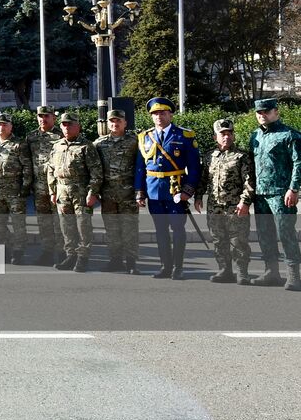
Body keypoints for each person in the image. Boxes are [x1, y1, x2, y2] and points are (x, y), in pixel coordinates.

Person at [134, 97, 200, 280]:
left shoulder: (184, 136)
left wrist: (188, 190)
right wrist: (140, 192)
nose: (159, 117)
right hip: (154, 191)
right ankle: (165, 266)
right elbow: (140, 167)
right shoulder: (144, 137)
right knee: (160, 230)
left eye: (162, 113)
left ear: (170, 114)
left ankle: (178, 268)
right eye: (155, 114)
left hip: (176, 190)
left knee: (178, 229)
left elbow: (194, 167)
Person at [246, 98, 301, 290]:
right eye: (259, 112)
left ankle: (294, 275)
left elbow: (298, 163)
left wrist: (293, 188)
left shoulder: (290, 135)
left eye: (266, 111)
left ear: (276, 112)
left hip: (281, 194)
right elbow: (251, 166)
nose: (262, 115)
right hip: (261, 194)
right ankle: (272, 272)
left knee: (286, 233)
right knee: (264, 233)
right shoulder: (255, 136)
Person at [199, 118, 255, 285]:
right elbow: (203, 179)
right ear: (215, 137)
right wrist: (198, 196)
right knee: (218, 240)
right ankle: (225, 270)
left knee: (239, 241)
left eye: (229, 133)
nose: (226, 137)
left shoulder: (241, 156)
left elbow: (249, 182)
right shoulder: (209, 156)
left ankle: (242, 272)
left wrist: (245, 202)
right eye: (222, 134)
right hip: (214, 207)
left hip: (235, 207)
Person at [48, 113, 102, 273]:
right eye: (64, 124)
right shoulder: (57, 145)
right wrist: (52, 191)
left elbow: (96, 172)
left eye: (70, 124)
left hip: (81, 192)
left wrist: (92, 192)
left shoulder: (86, 146)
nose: (66, 127)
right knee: (66, 226)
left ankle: (82, 257)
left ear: (78, 126)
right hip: (62, 191)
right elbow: (51, 169)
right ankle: (70, 255)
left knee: (83, 226)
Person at [95, 110, 142, 274]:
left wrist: (140, 191)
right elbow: (95, 169)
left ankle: (131, 263)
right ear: (107, 123)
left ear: (125, 123)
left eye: (118, 121)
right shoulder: (99, 144)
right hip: (108, 195)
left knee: (130, 230)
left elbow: (141, 167)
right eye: (112, 121)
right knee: (112, 230)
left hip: (128, 194)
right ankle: (115, 260)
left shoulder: (135, 141)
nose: (115, 124)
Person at [0, 113, 31, 263]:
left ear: (11, 126)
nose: (1, 127)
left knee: (18, 223)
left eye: (4, 124)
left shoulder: (19, 144)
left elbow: (27, 168)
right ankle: (2, 251)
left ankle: (18, 251)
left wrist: (24, 189)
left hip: (15, 189)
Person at [27, 106, 64, 266]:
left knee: (59, 221)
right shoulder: (31, 137)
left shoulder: (61, 135)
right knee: (44, 222)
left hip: (57, 187)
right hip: (39, 187)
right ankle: (47, 252)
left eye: (47, 116)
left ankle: (63, 253)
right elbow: (27, 161)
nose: (43, 119)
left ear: (53, 118)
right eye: (40, 116)